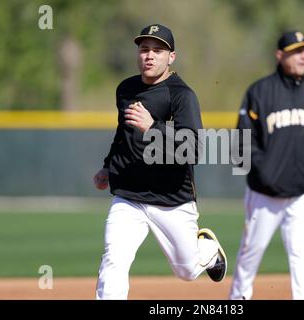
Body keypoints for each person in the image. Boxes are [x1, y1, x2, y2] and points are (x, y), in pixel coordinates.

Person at [93, 23, 227, 300]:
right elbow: (123, 133)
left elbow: (195, 149)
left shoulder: (181, 95)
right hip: (128, 194)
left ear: (171, 57)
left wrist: (153, 127)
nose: (149, 56)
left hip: (171, 199)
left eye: (157, 50)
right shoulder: (126, 89)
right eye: (144, 49)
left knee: (187, 271)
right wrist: (108, 166)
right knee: (114, 258)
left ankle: (208, 250)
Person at [229, 31, 304, 300]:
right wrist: (264, 172)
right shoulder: (260, 91)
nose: (302, 56)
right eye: (296, 51)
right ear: (279, 55)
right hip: (265, 194)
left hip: (303, 193)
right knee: (251, 252)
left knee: (302, 253)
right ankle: (237, 300)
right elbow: (243, 140)